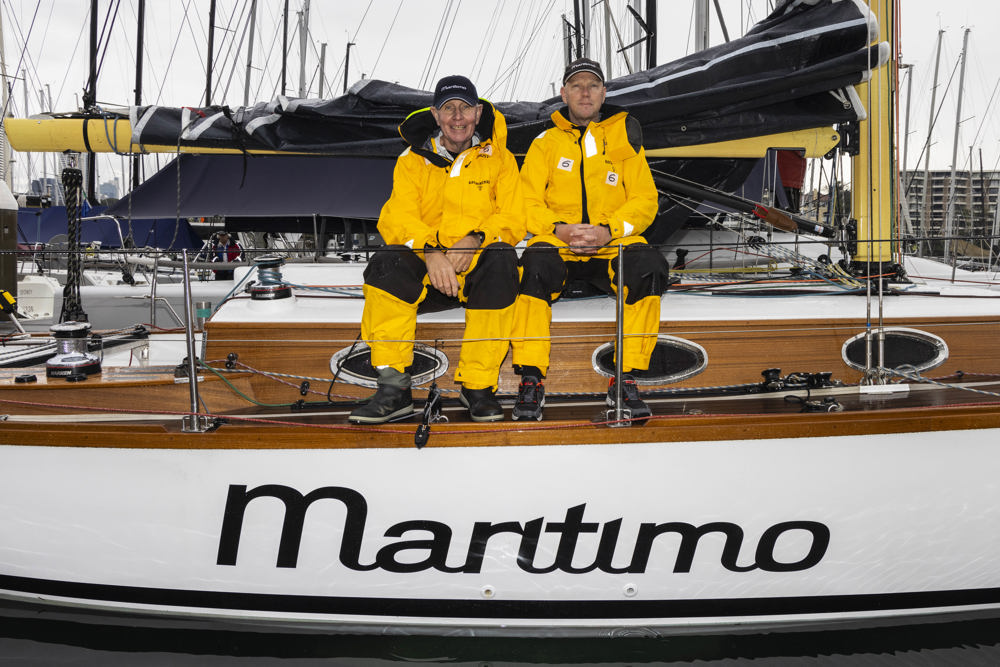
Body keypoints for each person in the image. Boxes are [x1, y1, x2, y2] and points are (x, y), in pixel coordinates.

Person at [349, 75, 525, 425]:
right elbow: (397, 217)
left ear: (477, 112)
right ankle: (393, 388)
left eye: (465, 108)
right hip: (428, 269)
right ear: (435, 114)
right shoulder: (411, 160)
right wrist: (431, 251)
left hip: (475, 266)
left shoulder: (501, 160)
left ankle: (477, 386)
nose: (457, 117)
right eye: (448, 109)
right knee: (385, 262)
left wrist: (475, 240)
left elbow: (513, 217)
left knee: (503, 258)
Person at [510, 58, 669, 421]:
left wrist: (608, 230)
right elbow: (526, 202)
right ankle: (532, 378)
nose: (585, 92)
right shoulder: (544, 143)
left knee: (650, 268)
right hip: (558, 242)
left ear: (603, 93)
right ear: (563, 93)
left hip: (610, 241)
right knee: (531, 267)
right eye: (577, 86)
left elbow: (645, 200)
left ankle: (625, 377)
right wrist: (561, 229)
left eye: (592, 85)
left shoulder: (624, 141)